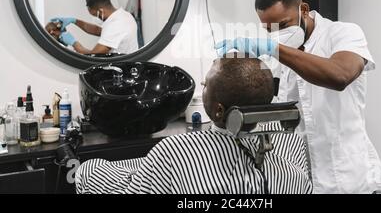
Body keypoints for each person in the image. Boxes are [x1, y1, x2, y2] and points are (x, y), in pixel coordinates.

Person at [215, 0, 381, 194]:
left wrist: (273, 48)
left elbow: (340, 76)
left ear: (304, 10)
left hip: (346, 177)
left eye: (283, 25)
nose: (277, 34)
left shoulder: (343, 33)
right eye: (270, 29)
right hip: (297, 177)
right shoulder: (274, 55)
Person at [75, 55, 312, 194]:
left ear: (218, 109)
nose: (202, 84)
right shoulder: (289, 143)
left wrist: (89, 168)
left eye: (206, 84)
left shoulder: (174, 151)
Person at [52, 0, 138, 55]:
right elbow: (98, 30)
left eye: (94, 15)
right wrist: (74, 21)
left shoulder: (116, 25)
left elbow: (94, 55)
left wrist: (73, 43)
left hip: (123, 68)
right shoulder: (124, 15)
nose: (95, 18)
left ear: (101, 11)